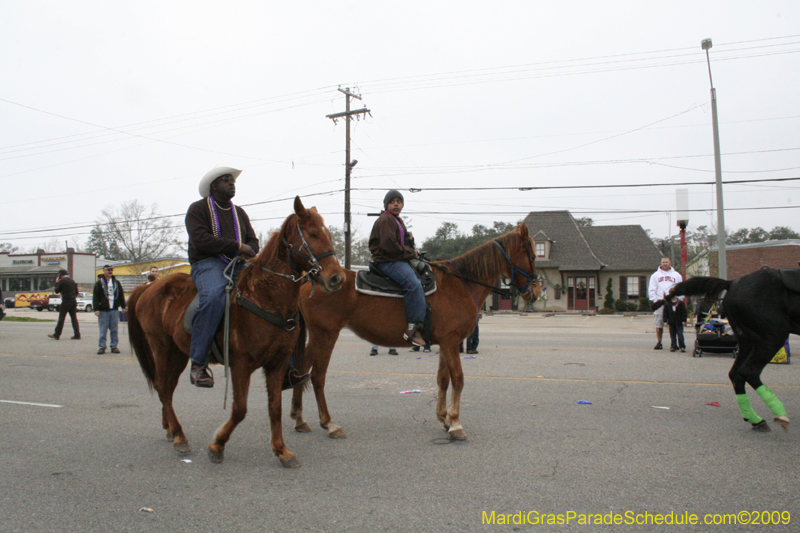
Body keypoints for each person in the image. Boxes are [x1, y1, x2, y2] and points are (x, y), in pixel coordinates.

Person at [186, 165, 309, 390]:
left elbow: (253, 241)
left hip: (239, 265)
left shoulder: (239, 212)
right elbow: (201, 240)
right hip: (208, 264)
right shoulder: (198, 209)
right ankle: (198, 363)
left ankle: (287, 369)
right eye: (226, 180)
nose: (232, 184)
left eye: (233, 181)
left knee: (279, 298)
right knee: (214, 297)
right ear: (214, 186)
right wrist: (237, 246)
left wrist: (248, 248)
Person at [368, 190, 426, 347]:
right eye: (392, 201)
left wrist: (410, 242)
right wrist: (411, 252)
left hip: (397, 259)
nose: (396, 203)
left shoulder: (397, 221)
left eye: (399, 201)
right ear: (386, 204)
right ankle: (412, 328)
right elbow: (388, 246)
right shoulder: (386, 219)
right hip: (387, 261)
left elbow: (402, 245)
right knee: (414, 285)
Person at [648, 257, 683, 350]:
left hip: (673, 303)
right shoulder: (655, 275)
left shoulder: (676, 275)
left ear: (670, 263)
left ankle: (676, 343)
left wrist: (679, 300)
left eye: (666, 262)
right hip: (661, 302)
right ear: (661, 263)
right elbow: (652, 289)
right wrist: (656, 301)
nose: (665, 264)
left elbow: (681, 288)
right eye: (663, 262)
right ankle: (659, 342)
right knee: (659, 323)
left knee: (674, 323)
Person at [92, 265, 126, 354]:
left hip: (114, 309)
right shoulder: (99, 283)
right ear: (104, 271)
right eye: (108, 270)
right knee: (103, 329)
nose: (110, 271)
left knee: (114, 329)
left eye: (111, 270)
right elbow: (95, 297)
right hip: (103, 310)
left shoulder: (116, 283)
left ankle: (114, 346)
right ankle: (102, 346)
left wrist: (123, 307)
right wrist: (96, 308)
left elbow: (121, 295)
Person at [48, 269, 81, 340]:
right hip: (73, 300)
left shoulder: (62, 281)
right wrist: (73, 296)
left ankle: (57, 334)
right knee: (74, 318)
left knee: (61, 318)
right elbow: (76, 292)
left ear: (60, 275)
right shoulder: (72, 281)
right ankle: (77, 334)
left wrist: (57, 282)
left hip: (66, 300)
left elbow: (57, 291)